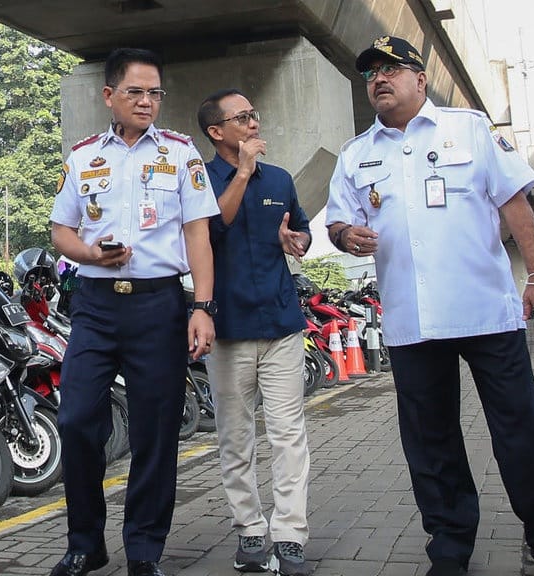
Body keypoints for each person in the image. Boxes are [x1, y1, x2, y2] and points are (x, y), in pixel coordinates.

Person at [325, 36, 534, 576]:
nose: (379, 79)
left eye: (391, 69)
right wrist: (346, 234)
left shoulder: (470, 129)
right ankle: (449, 544)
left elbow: (515, 205)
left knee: (520, 428)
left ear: (421, 80)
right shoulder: (355, 154)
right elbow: (337, 221)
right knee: (430, 439)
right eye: (371, 72)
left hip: (485, 311)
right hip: (411, 319)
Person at [49, 48, 220, 576]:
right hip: (95, 306)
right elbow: (61, 232)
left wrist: (202, 307)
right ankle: (85, 543)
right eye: (135, 92)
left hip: (158, 305)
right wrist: (89, 254)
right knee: (77, 421)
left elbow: (198, 235)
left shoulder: (181, 153)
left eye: (154, 93)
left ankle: (144, 549)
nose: (147, 102)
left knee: (155, 429)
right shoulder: (83, 156)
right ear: (109, 95)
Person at [196, 88, 312, 576]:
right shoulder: (198, 179)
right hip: (227, 329)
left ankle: (290, 535)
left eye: (253, 115)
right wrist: (242, 172)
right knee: (235, 437)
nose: (253, 124)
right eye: (242, 118)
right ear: (216, 131)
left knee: (288, 434)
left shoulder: (280, 178)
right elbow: (211, 231)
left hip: (281, 324)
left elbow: (302, 229)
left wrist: (297, 240)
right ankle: (248, 528)